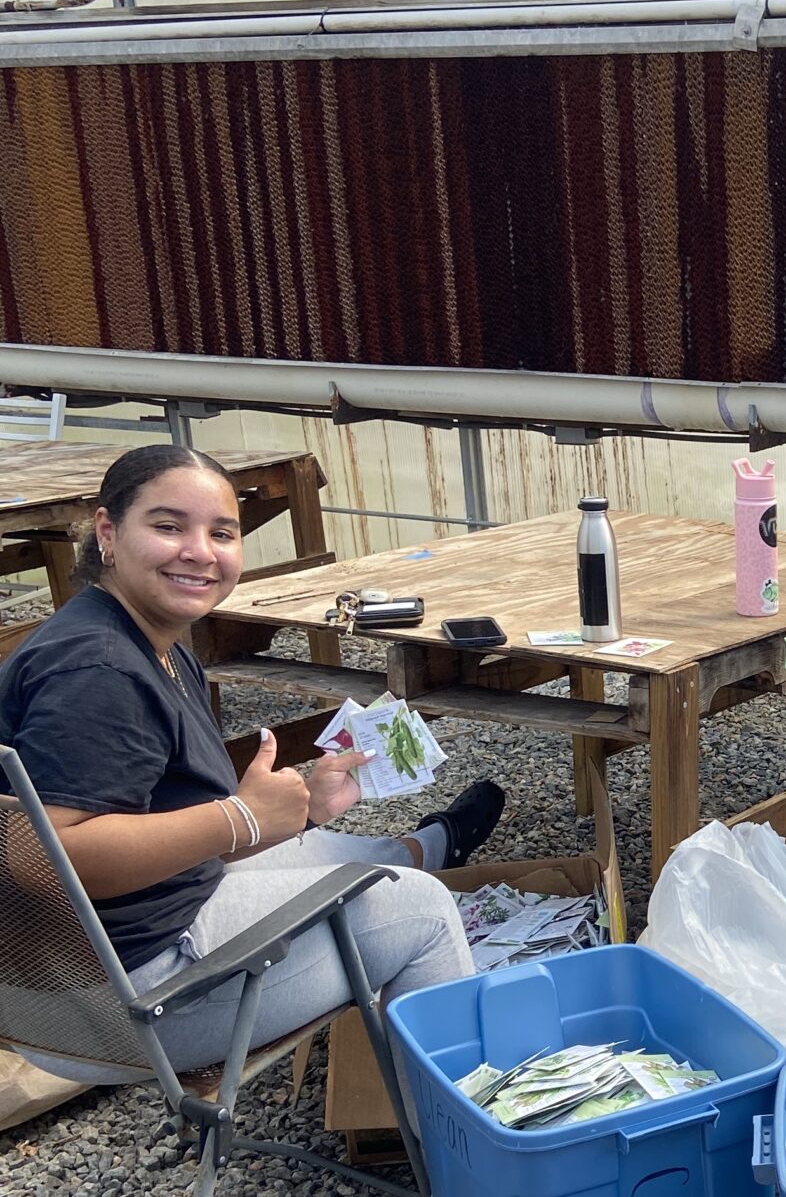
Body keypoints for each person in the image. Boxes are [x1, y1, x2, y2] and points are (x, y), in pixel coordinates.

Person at [0, 443, 504, 1071]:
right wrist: (241, 817)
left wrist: (301, 809)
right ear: (108, 531)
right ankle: (465, 1150)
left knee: (324, 852)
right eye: (167, 526)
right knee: (423, 909)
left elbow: (165, 819)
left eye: (222, 532)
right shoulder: (98, 670)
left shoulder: (142, 630)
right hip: (129, 999)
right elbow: (52, 862)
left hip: (113, 947)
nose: (199, 551)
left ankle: (429, 847)